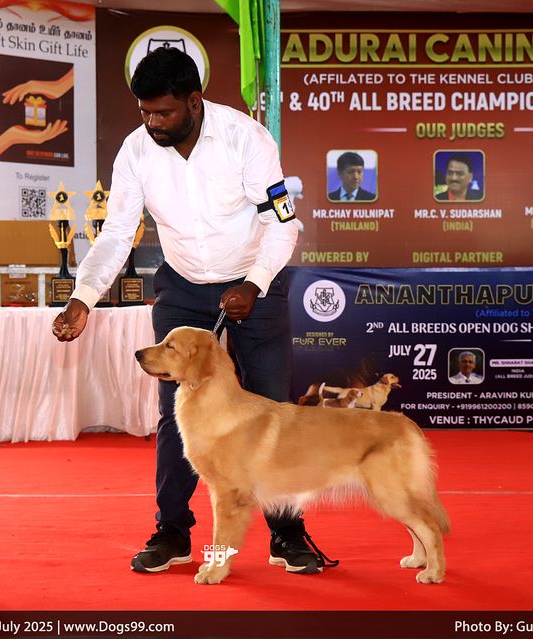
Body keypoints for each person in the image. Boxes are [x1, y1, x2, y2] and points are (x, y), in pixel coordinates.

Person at [52, 47, 330, 575]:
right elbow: (116, 233)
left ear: (194, 102)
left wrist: (254, 283)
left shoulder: (246, 138)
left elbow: (281, 223)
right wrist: (83, 295)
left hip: (254, 281)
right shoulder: (136, 151)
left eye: (164, 112)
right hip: (181, 286)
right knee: (175, 412)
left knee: (272, 408)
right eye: (145, 112)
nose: (152, 123)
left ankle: (287, 532)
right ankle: (172, 530)